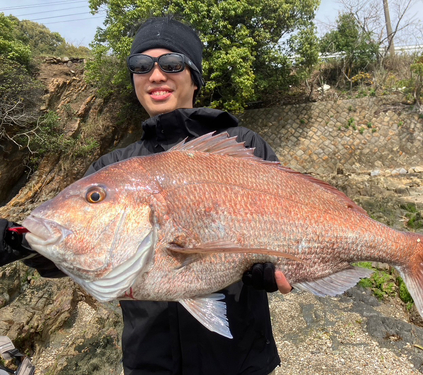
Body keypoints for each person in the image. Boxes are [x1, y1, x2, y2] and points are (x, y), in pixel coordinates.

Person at [0, 16, 292, 375]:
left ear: (195, 77)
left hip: (241, 361)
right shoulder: (113, 166)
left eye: (172, 63)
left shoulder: (244, 147)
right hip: (149, 364)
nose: (155, 75)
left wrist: (278, 262)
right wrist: (20, 242)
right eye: (141, 65)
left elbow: (295, 225)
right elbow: (79, 251)